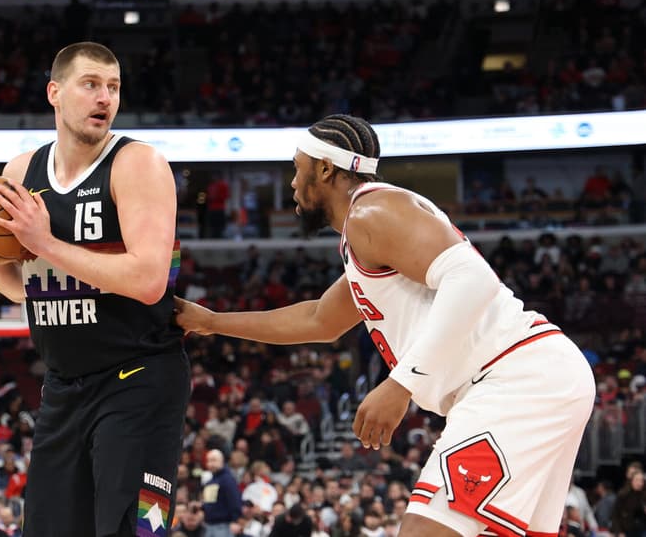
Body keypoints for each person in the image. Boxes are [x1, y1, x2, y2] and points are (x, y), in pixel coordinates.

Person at [175, 114, 596, 537]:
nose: (292, 182)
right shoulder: (367, 229)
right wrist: (210, 321)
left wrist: (401, 383)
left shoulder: (372, 211)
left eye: (296, 167)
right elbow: (319, 319)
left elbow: (475, 279)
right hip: (538, 378)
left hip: (516, 378)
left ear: (324, 169)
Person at [0, 42, 188, 537]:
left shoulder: (137, 164)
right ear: (55, 92)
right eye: (92, 84)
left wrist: (44, 242)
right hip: (62, 386)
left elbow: (148, 281)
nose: (105, 97)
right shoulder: (19, 174)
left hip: (140, 380)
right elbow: (20, 290)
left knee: (134, 530)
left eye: (114, 87)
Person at [201, 449, 242, 537]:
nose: (211, 464)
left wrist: (235, 520)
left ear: (222, 461)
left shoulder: (228, 480)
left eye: (214, 460)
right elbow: (210, 503)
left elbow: (235, 500)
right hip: (209, 525)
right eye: (209, 461)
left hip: (224, 525)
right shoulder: (209, 482)